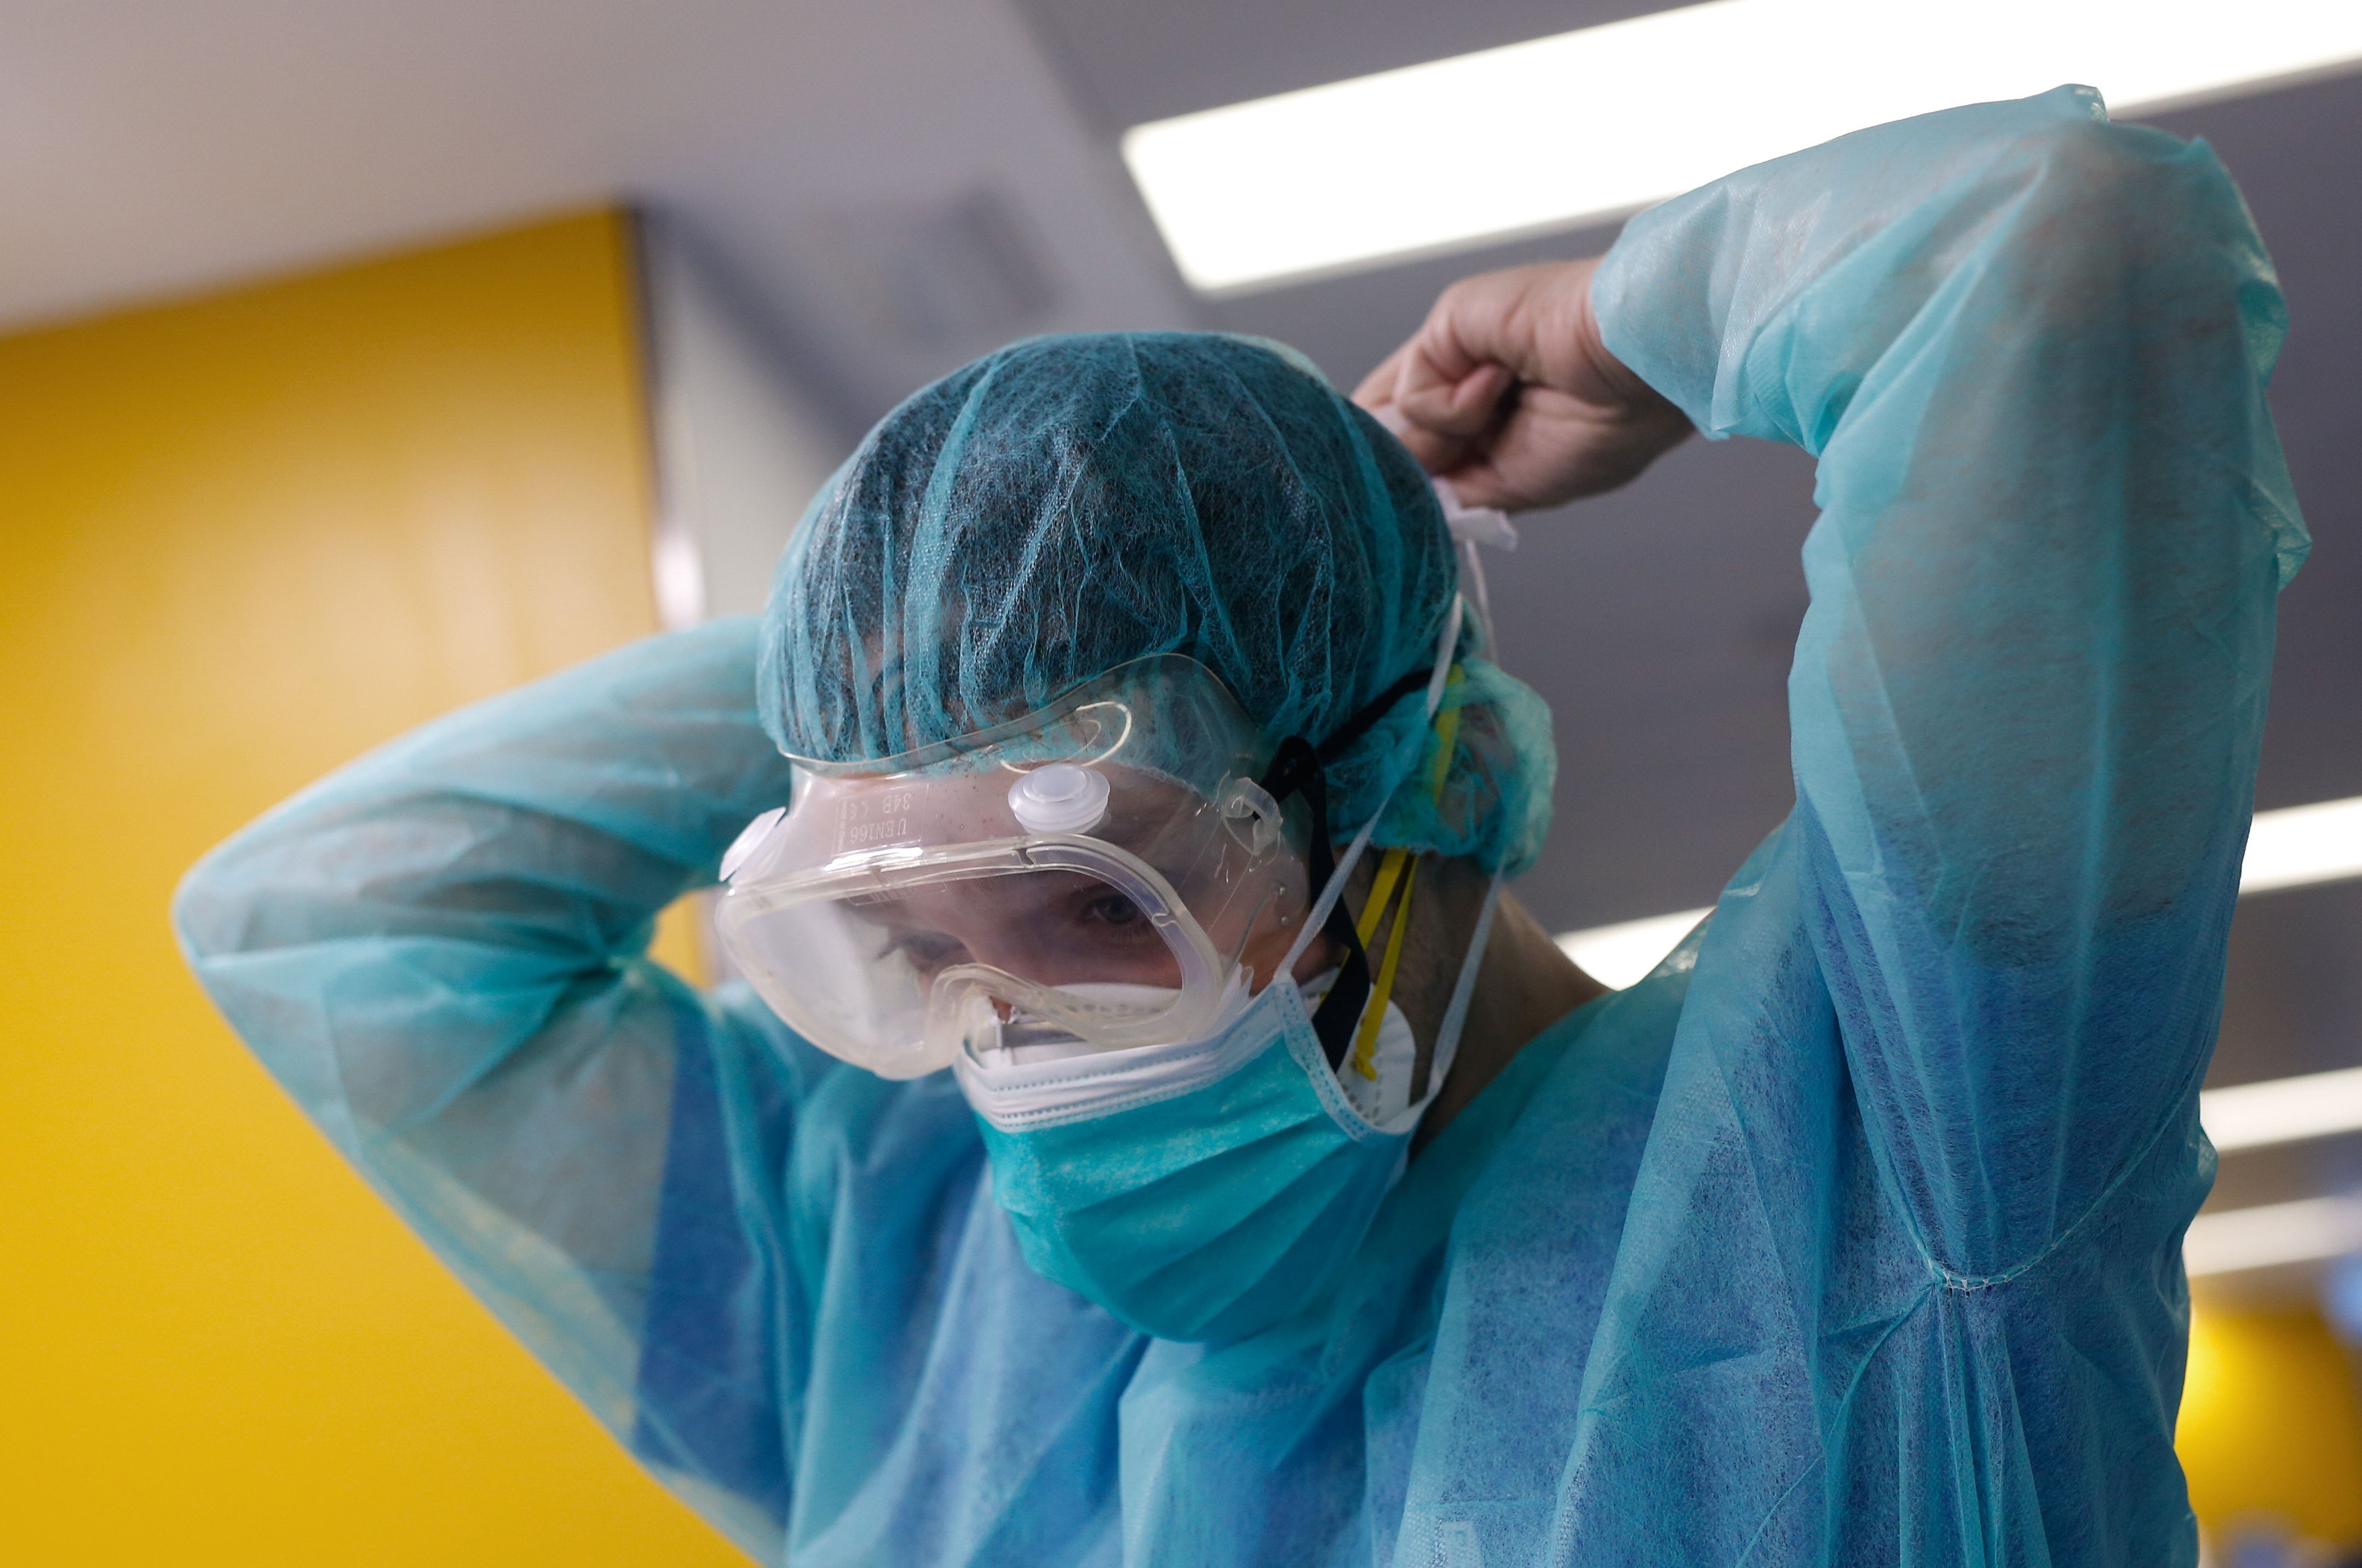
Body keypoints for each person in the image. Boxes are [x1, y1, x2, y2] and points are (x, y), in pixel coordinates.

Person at [175, 85, 2306, 1566]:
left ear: (1424, 794)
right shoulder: (907, 1300)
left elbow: (2053, 251)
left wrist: (1619, 338)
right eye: (898, 939)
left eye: (1085, 902)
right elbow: (331, 919)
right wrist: (931, 657)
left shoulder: (1896, 1154)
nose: (998, 1031)